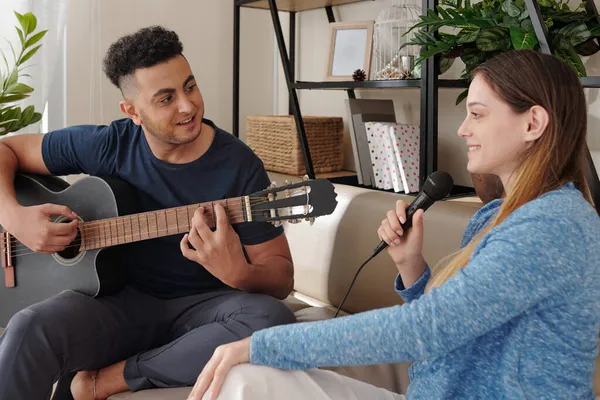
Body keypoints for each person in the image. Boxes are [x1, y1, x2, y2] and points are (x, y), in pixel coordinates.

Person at [188, 49, 600, 400]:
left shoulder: (553, 227)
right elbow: (453, 332)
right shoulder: (498, 215)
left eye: (477, 114)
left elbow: (426, 331)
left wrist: (261, 345)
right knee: (243, 379)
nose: (463, 129)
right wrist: (411, 266)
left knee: (245, 373)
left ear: (533, 123)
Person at [0, 26, 296, 400]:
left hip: (208, 309)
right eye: (166, 98)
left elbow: (281, 278)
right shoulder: (110, 144)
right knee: (29, 327)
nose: (187, 106)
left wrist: (240, 272)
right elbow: (6, 149)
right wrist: (14, 217)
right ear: (132, 111)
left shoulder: (239, 166)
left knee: (273, 320)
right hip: (119, 303)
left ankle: (105, 381)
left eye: (190, 87)